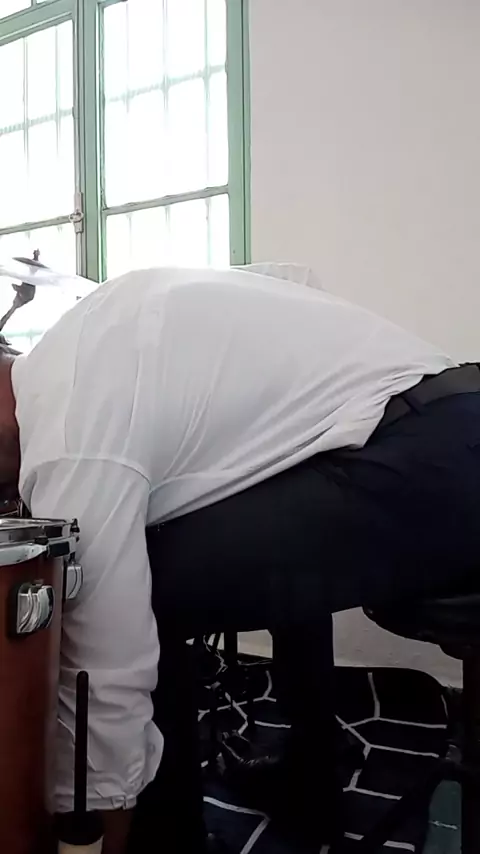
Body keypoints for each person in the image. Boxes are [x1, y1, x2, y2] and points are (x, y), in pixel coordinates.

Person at [1, 263, 480, 854]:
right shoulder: (96, 322)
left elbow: (105, 666)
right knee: (259, 529)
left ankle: (162, 840)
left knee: (145, 588)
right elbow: (298, 277)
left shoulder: (69, 433)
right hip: (454, 410)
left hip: (435, 468)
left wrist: (94, 817)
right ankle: (311, 771)